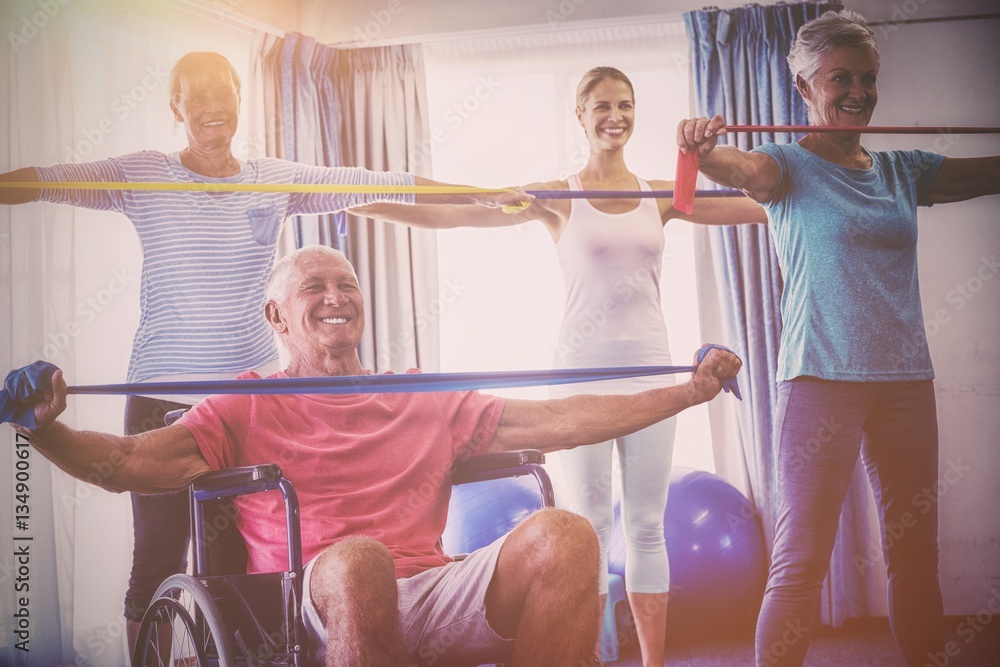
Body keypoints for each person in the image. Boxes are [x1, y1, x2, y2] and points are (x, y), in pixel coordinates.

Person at [0, 51, 528, 653]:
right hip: (159, 392)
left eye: (221, 92)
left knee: (235, 567)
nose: (210, 107)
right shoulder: (144, 174)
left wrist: (481, 195)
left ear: (238, 100)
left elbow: (381, 185)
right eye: (194, 96)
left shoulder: (271, 178)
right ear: (176, 107)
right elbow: (47, 180)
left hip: (242, 405)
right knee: (155, 562)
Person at [12, 244, 743, 667]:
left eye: (347, 285)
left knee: (569, 534)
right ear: (276, 315)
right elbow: (128, 464)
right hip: (316, 597)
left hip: (431, 587)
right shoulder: (244, 402)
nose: (336, 297)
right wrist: (46, 430)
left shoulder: (422, 393)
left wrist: (686, 392)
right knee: (359, 557)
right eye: (314, 287)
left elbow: (560, 417)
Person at [350, 66, 767, 665]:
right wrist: (361, 203)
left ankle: (652, 663)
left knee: (647, 526)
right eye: (601, 105)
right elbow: (457, 214)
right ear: (580, 115)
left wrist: (833, 184)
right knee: (590, 526)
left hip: (652, 375)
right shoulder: (555, 196)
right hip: (580, 377)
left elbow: (759, 207)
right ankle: (590, 658)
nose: (614, 116)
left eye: (625, 104)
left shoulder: (661, 193)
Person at [675, 10, 1000, 667]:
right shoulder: (786, 169)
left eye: (869, 79)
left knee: (915, 557)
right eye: (841, 78)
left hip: (906, 384)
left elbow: (987, 171)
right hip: (819, 381)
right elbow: (736, 169)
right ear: (803, 87)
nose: (858, 92)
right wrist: (702, 151)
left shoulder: (902, 171)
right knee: (800, 563)